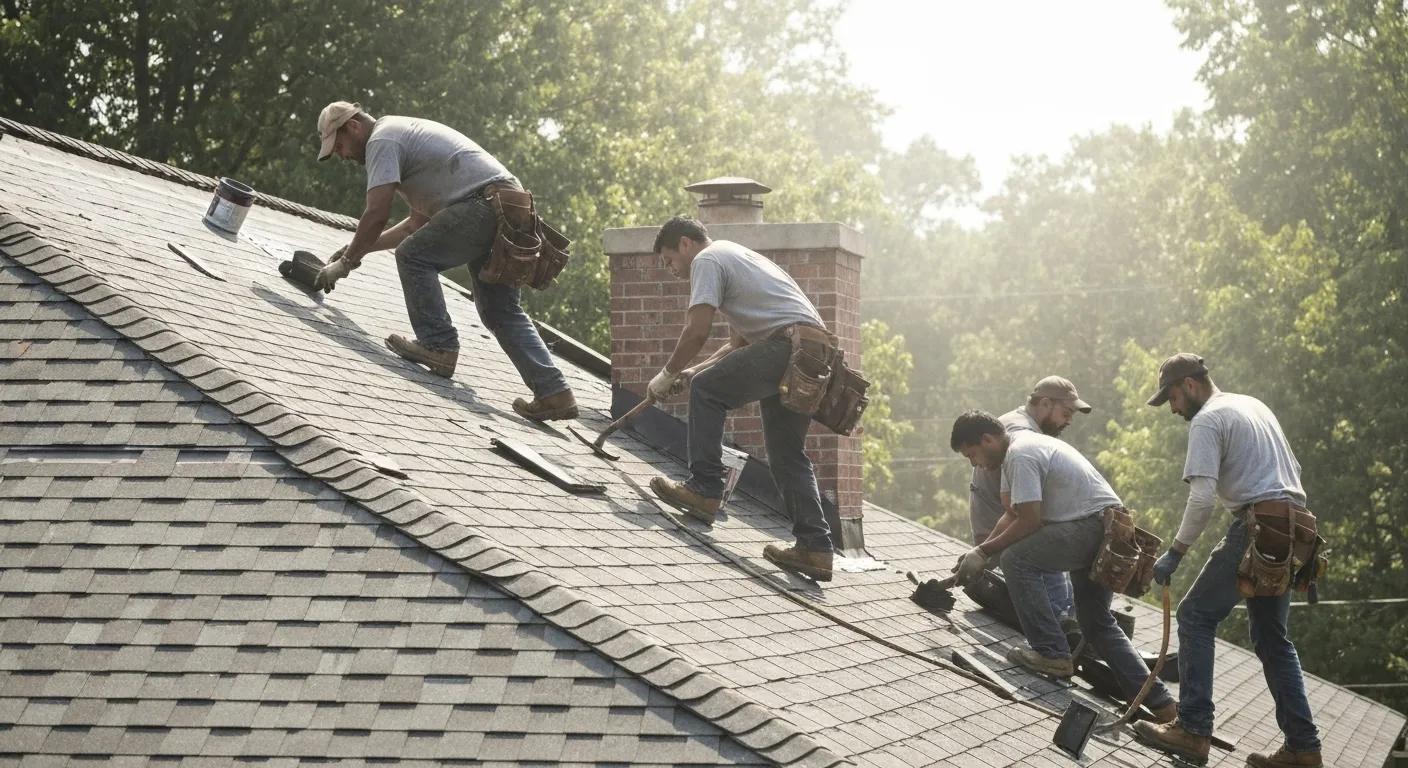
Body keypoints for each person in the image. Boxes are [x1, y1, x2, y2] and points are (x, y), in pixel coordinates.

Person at [312, 100, 576, 421]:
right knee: (499, 309)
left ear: (353, 126)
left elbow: (377, 212)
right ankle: (554, 392)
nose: (342, 156)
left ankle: (438, 346)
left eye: (339, 146)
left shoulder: (382, 139)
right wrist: (357, 249)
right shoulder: (403, 137)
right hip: (508, 205)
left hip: (483, 204)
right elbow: (414, 225)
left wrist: (347, 263)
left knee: (412, 256)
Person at [1132, 354, 1322, 768]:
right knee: (1272, 638)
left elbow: (1202, 498)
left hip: (1261, 524)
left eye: (1172, 397)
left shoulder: (1208, 420)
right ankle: (1303, 749)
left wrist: (1176, 552)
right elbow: (1294, 468)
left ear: (1189, 384)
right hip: (1296, 528)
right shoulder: (1253, 406)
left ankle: (1193, 729)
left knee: (1195, 615)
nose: (1173, 408)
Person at [949, 410, 1177, 723]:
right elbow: (1012, 515)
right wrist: (979, 553)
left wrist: (986, 551)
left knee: (1016, 559)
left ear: (987, 439)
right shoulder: (1015, 451)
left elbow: (1030, 521)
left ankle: (1052, 654)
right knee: (1095, 621)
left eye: (971, 455)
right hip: (1106, 527)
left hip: (1092, 526)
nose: (974, 464)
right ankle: (1163, 706)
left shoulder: (1020, 454)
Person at [647, 216, 835, 581]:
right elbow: (737, 344)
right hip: (812, 352)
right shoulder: (735, 257)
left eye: (669, 260)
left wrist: (667, 373)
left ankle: (704, 489)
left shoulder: (706, 259)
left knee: (707, 391)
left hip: (787, 345)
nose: (672, 270)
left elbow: (697, 331)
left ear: (685, 243)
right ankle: (816, 547)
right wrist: (693, 370)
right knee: (786, 452)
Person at [969, 376, 1091, 621]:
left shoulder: (1026, 428)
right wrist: (983, 552)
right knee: (1054, 599)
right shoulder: (1020, 434)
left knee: (1062, 593)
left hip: (1010, 522)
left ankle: (1060, 624)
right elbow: (1020, 514)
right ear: (1044, 404)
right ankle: (1058, 627)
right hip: (1005, 526)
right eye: (1066, 413)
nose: (1068, 421)